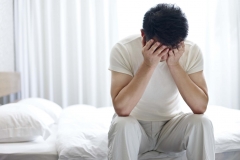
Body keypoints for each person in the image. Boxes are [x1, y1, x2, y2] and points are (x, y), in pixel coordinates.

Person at [108, 3, 215, 160]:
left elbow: (200, 106)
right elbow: (122, 109)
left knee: (202, 122)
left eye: (174, 46)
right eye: (160, 47)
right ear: (144, 36)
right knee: (122, 124)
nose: (166, 53)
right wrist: (148, 64)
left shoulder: (191, 51)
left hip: (171, 128)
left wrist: (175, 65)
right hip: (136, 127)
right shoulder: (123, 49)